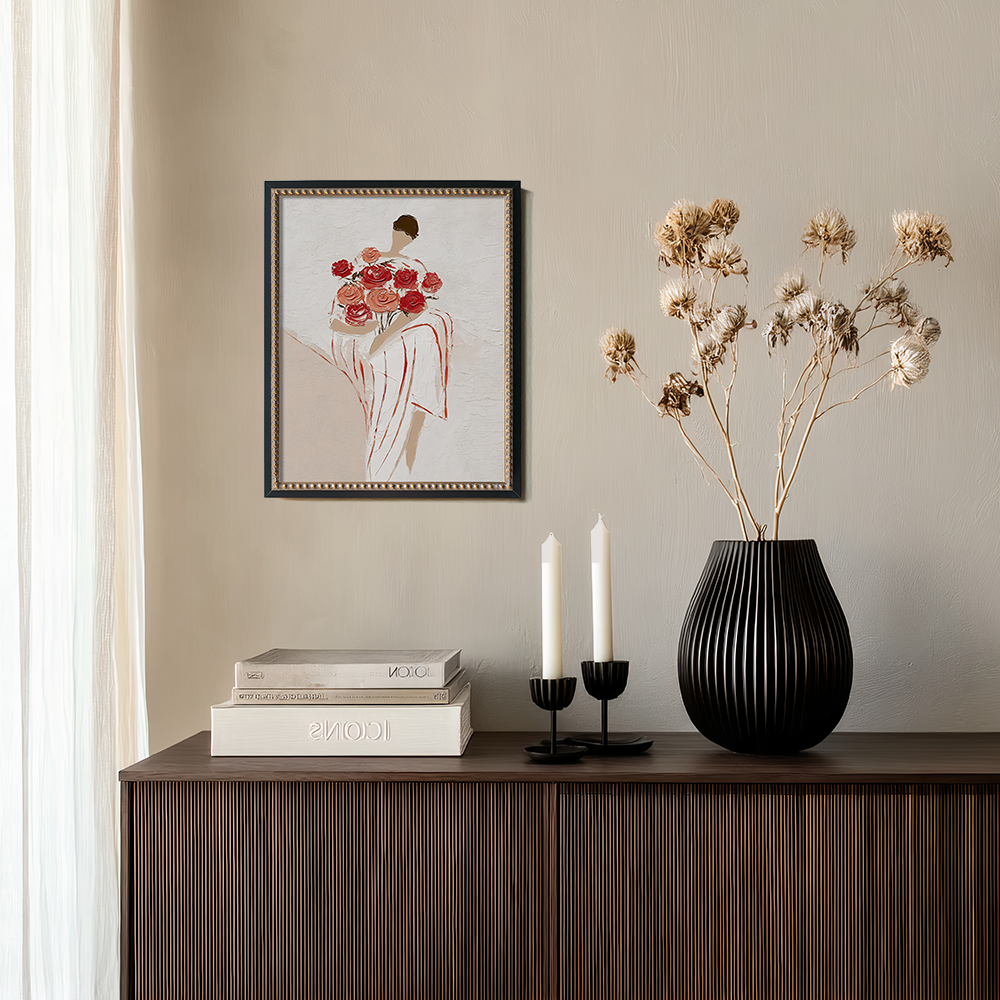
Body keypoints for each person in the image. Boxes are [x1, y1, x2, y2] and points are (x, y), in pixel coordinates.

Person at [327, 215, 452, 481]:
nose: (400, 237)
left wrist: (384, 335)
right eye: (398, 231)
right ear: (393, 231)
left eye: (406, 234)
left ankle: (394, 452)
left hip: (390, 333)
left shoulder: (415, 266)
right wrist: (364, 327)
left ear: (412, 239)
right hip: (365, 330)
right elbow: (344, 306)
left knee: (433, 326)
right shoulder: (367, 260)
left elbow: (416, 307)